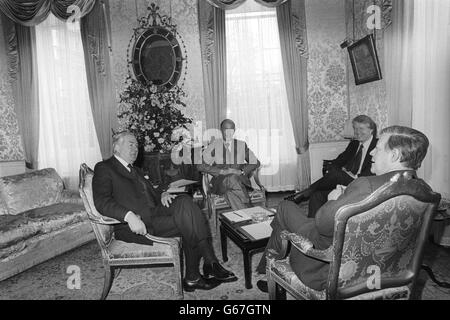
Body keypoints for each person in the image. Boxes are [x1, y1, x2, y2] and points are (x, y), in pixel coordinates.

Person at [256, 125, 431, 292]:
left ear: (394, 155)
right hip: (390, 270)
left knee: (285, 207)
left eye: (377, 148)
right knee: (290, 215)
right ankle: (268, 268)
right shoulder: (425, 192)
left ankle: (269, 269)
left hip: (332, 268)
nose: (372, 152)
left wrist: (334, 199)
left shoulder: (365, 185)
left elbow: (322, 225)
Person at [92, 131, 237, 292]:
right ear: (116, 147)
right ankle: (201, 270)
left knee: (185, 201)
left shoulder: (135, 170)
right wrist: (128, 216)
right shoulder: (104, 167)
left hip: (154, 212)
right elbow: (102, 201)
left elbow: (150, 192)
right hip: (135, 225)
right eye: (130, 144)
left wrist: (162, 193)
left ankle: (203, 269)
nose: (135, 149)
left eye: (136, 145)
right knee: (189, 221)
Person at [287, 115, 378, 218]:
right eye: (355, 128)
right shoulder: (354, 144)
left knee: (336, 174)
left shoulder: (377, 146)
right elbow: (339, 160)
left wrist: (344, 173)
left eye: (361, 128)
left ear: (371, 130)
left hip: (361, 182)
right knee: (317, 195)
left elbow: (372, 172)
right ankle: (312, 224)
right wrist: (335, 167)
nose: (357, 132)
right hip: (347, 181)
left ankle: (305, 193)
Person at [197, 119, 261, 210]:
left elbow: (256, 162)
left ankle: (245, 218)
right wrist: (221, 171)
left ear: (234, 130)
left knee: (230, 194)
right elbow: (200, 166)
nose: (228, 132)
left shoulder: (241, 145)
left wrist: (241, 171)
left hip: (240, 181)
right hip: (220, 182)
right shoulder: (214, 145)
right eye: (225, 129)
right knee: (232, 178)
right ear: (221, 130)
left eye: (231, 129)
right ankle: (250, 208)